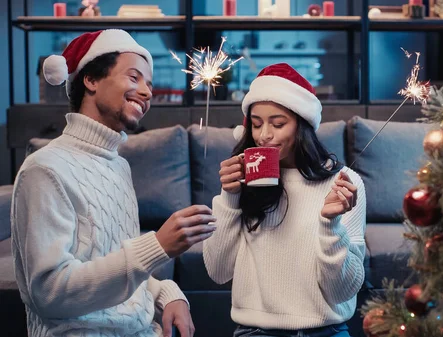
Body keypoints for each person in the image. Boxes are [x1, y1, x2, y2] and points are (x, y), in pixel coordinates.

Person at [11, 29, 217, 337]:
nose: (148, 92)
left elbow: (112, 263)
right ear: (90, 80)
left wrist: (165, 293)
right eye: (134, 78)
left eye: (149, 83)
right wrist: (156, 246)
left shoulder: (118, 166)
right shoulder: (45, 170)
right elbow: (50, 294)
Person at [204, 63, 367, 337]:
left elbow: (342, 291)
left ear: (301, 125)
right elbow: (218, 272)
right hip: (256, 331)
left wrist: (330, 225)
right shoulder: (243, 180)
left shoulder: (342, 183)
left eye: (278, 124)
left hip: (326, 330)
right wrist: (230, 197)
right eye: (256, 124)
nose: (264, 135)